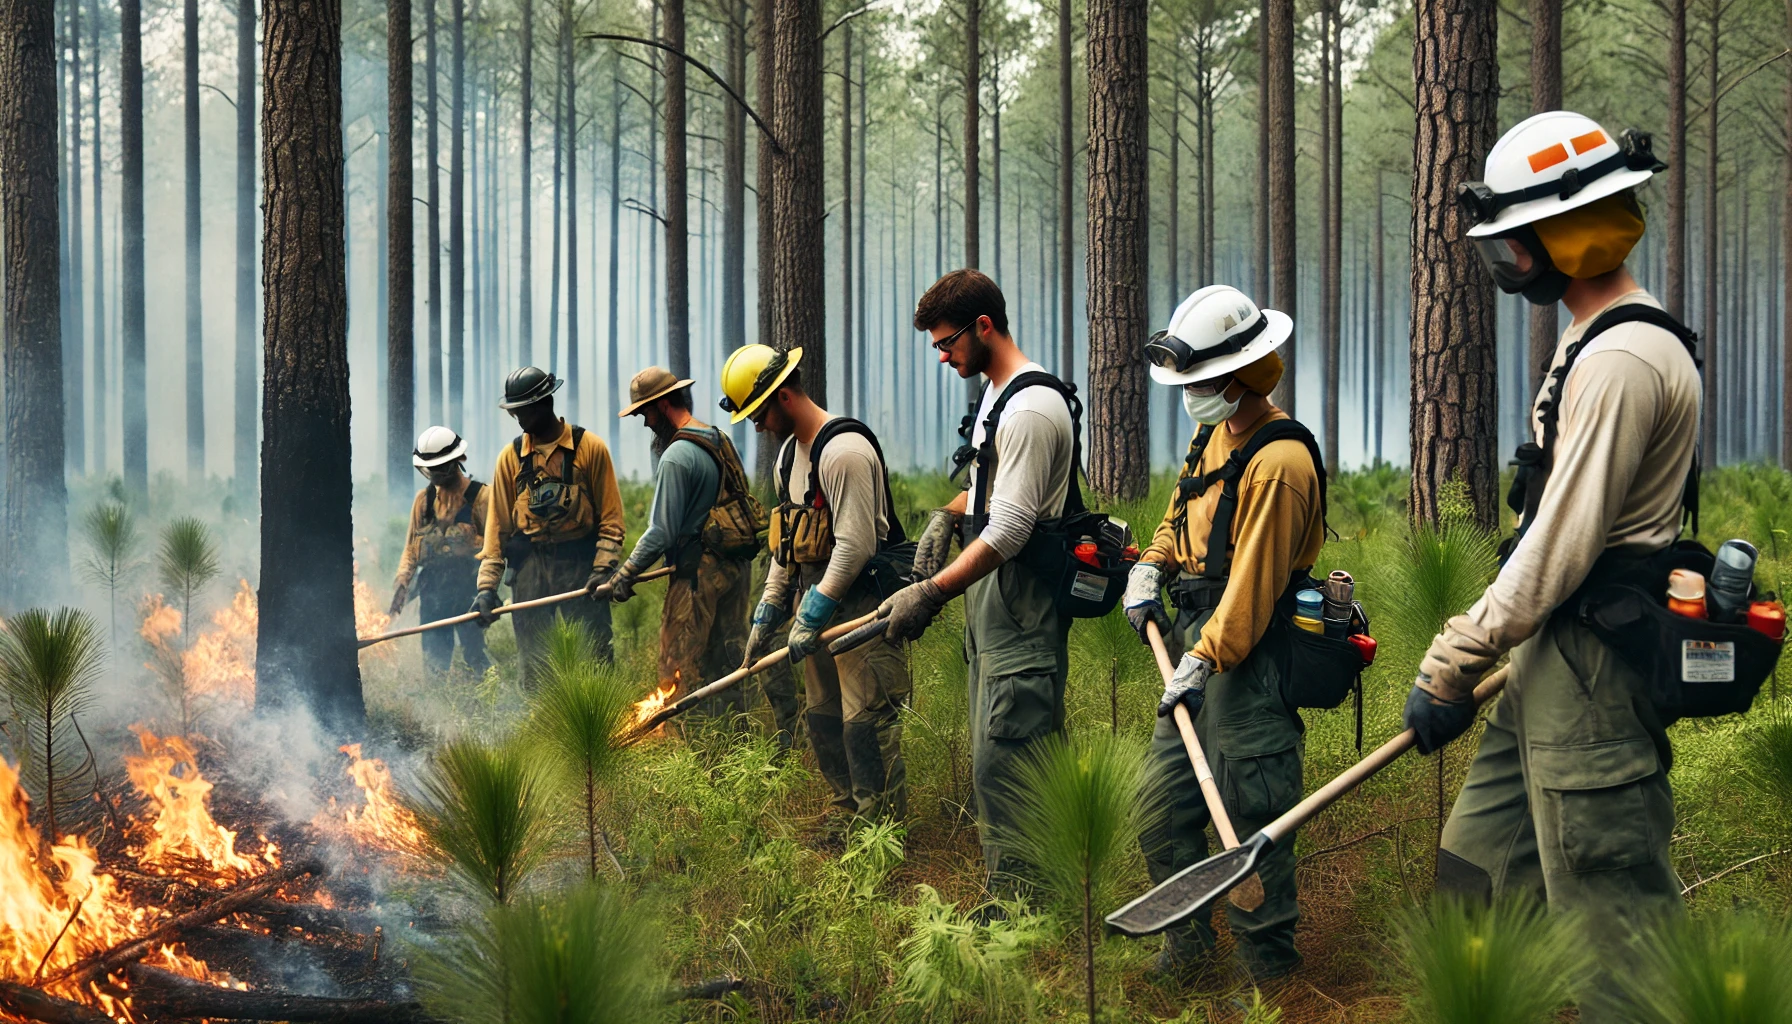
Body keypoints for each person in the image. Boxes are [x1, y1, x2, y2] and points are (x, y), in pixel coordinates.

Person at [1404, 112, 1697, 1022]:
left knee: (1615, 929)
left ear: (1557, 235)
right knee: (1477, 872)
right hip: (1546, 668)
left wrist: (1456, 655)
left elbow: (1560, 546)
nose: (1506, 267)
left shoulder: (1620, 361)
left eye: (1512, 246)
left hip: (1592, 681)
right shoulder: (1592, 343)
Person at [1123, 285, 1322, 983]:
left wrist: (1205, 658)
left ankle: (1269, 976)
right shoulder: (1212, 433)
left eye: (1203, 381)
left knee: (1249, 818)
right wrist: (1150, 566)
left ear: (1242, 375)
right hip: (1194, 640)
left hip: (1249, 657)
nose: (1192, 394)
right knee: (1161, 805)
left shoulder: (1282, 462)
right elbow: (1180, 515)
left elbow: (1256, 583)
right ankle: (1189, 948)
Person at [877, 269, 1075, 892]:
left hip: (1022, 613)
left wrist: (932, 592)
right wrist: (948, 512)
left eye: (947, 342)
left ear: (984, 326)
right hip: (992, 613)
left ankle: (1027, 913)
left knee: (1010, 764)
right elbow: (993, 496)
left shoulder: (1032, 408)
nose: (942, 355)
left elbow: (1013, 527)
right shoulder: (998, 396)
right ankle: (1017, 897)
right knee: (999, 763)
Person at [728, 343, 912, 823]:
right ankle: (847, 815)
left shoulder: (844, 452)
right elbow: (785, 550)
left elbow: (854, 546)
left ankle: (881, 830)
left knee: (864, 727)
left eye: (758, 413)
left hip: (864, 613)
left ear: (784, 396)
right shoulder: (788, 458)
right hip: (818, 613)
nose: (756, 425)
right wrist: (767, 614)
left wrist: (810, 616)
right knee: (825, 723)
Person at [613, 366, 761, 716]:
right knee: (727, 663)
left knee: (678, 668)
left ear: (664, 405)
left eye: (646, 412)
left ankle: (688, 746)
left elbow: (661, 530)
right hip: (735, 571)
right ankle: (733, 739)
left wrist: (627, 572)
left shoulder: (676, 457)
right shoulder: (717, 438)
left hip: (697, 577)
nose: (645, 422)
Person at [471, 366, 627, 686]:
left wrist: (603, 568)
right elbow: (497, 530)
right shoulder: (510, 458)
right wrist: (487, 589)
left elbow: (611, 519)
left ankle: (596, 725)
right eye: (513, 410)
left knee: (592, 652)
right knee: (535, 661)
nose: (516, 417)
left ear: (544, 404)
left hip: (580, 565)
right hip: (529, 569)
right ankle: (542, 722)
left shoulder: (590, 449)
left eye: (522, 410)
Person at [390, 426, 493, 677]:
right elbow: (411, 550)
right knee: (434, 658)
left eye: (440, 468)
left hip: (468, 587)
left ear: (458, 461)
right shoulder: (423, 501)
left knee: (474, 655)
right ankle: (439, 701)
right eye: (430, 469)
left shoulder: (482, 497)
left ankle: (483, 702)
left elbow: (495, 547)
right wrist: (402, 584)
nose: (435, 475)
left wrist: (487, 587)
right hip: (433, 590)